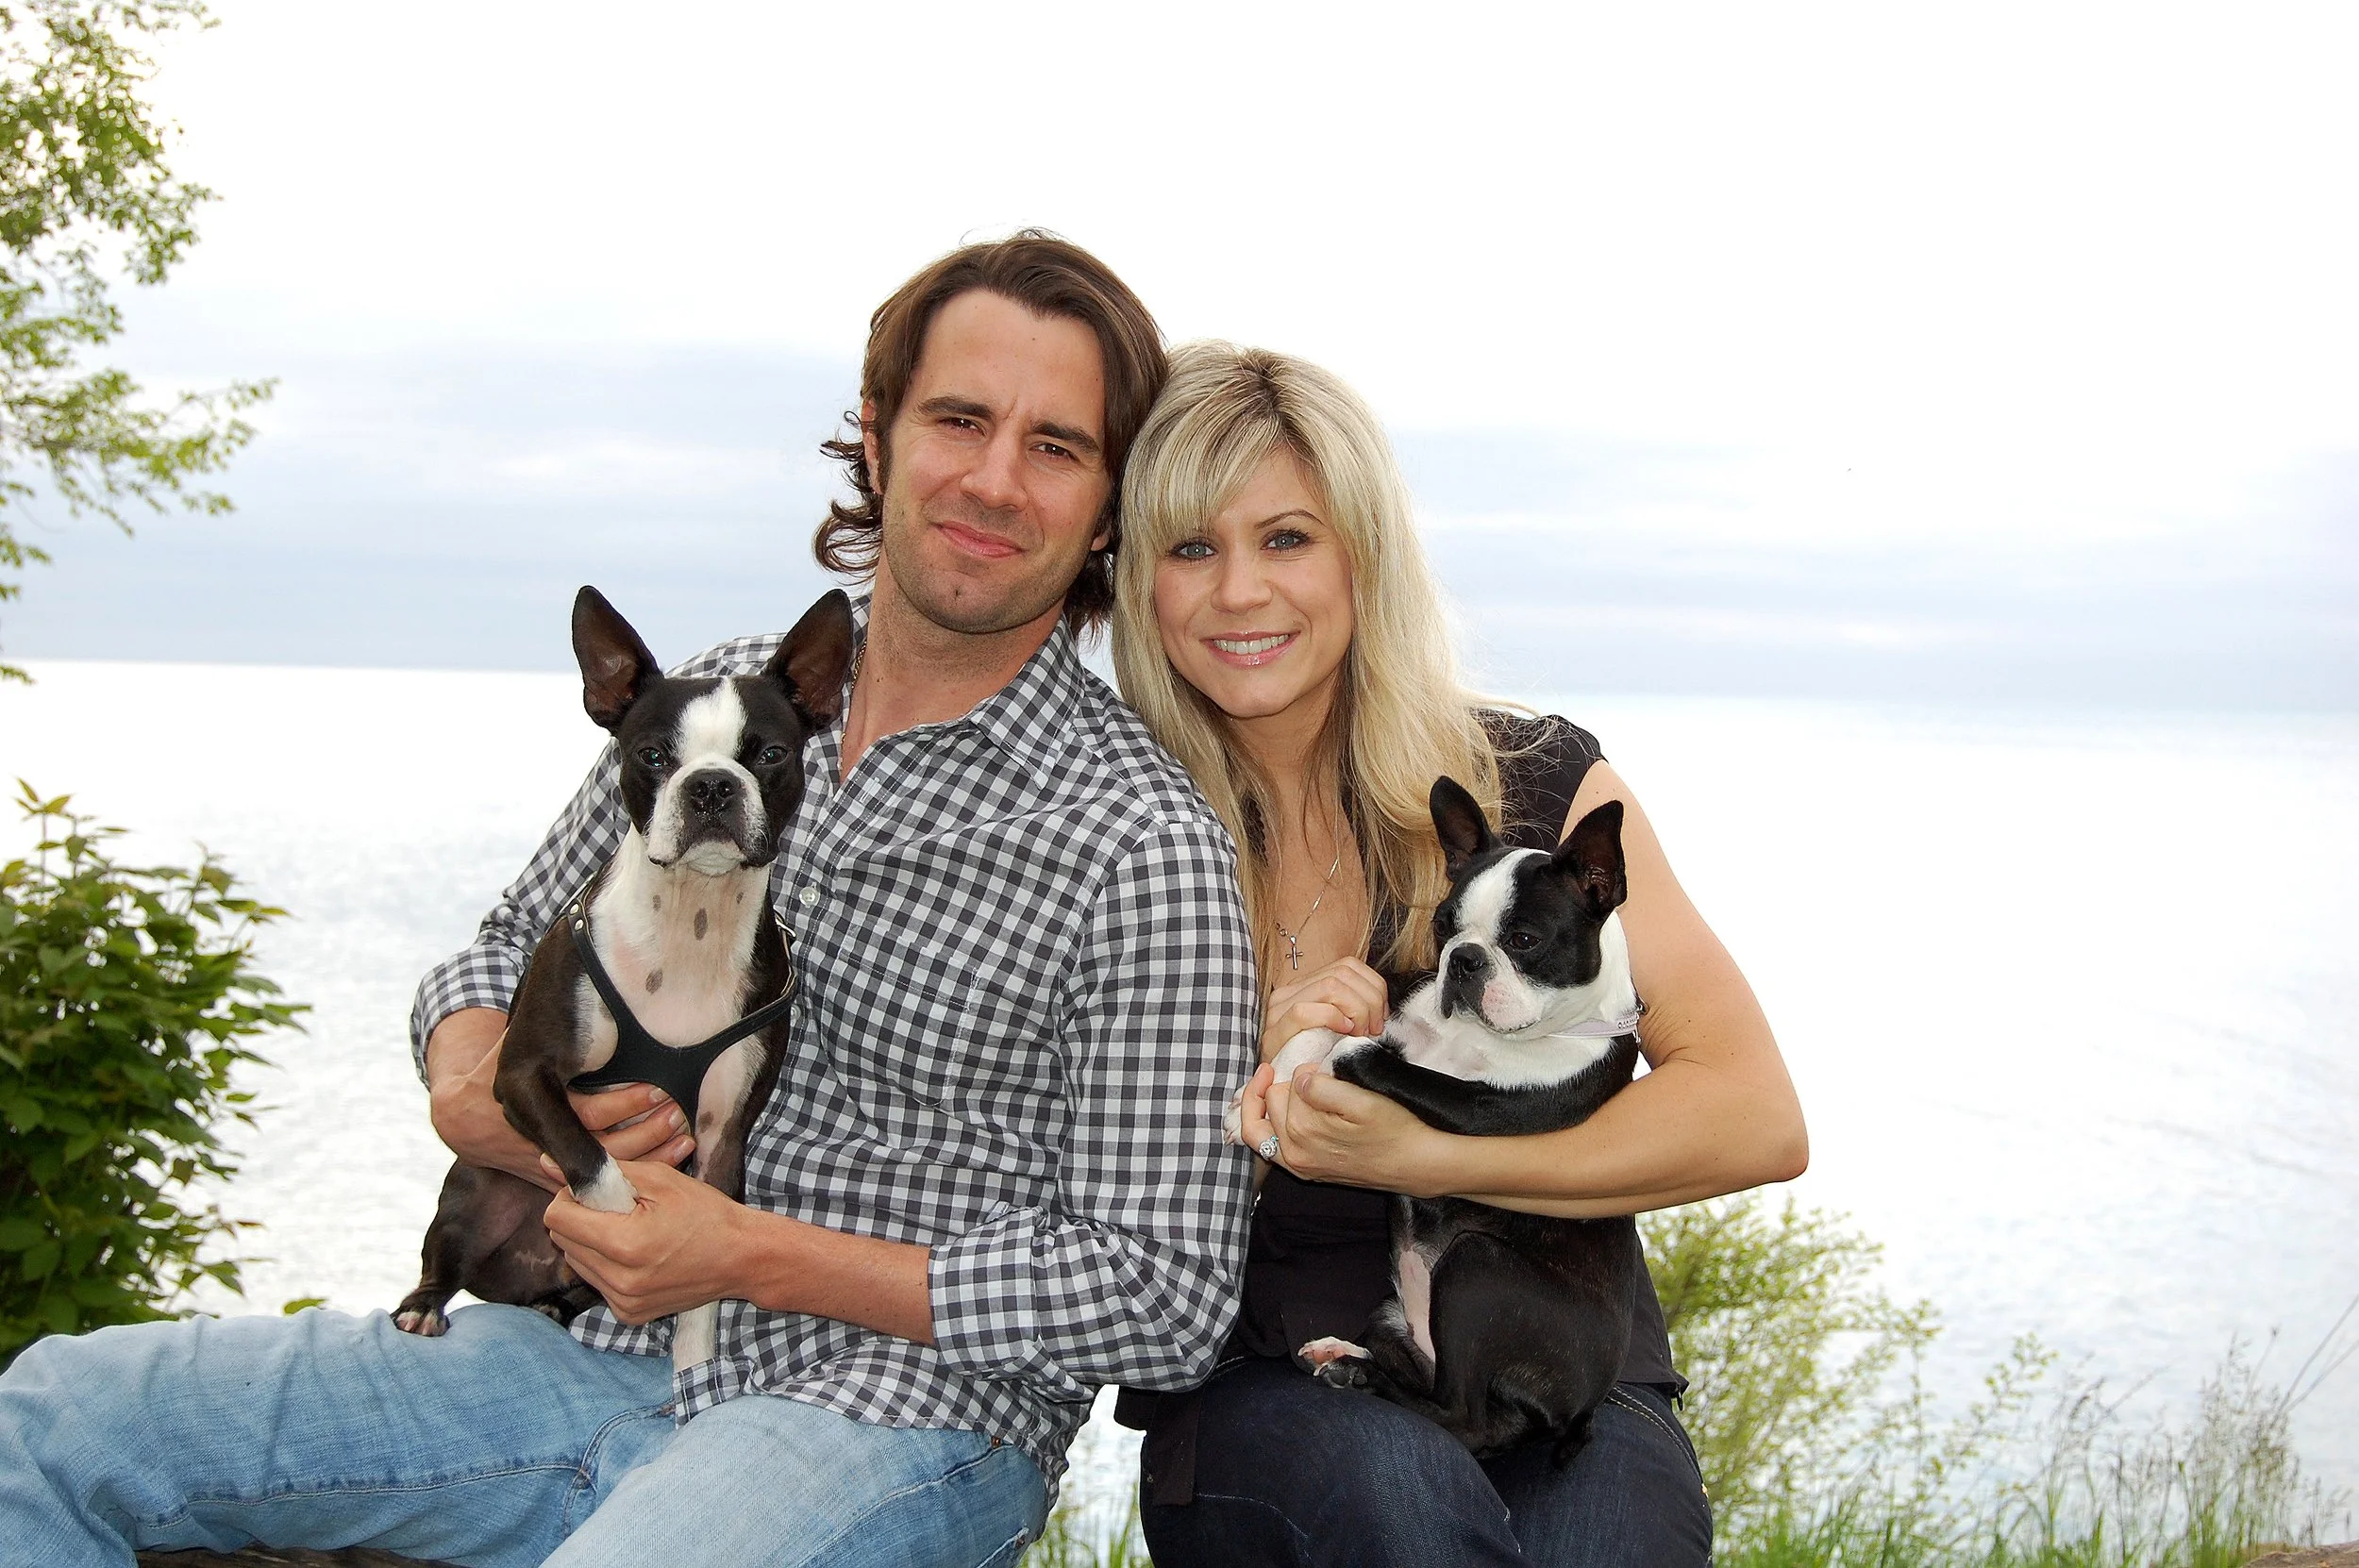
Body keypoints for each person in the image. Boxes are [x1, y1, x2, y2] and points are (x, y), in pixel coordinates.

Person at [0, 234, 1261, 1568]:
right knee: (52, 1416)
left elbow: (1161, 1293)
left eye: (1057, 446)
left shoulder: (1140, 842)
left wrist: (749, 1252)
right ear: (879, 440)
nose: (995, 477)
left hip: (892, 1418)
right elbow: (499, 952)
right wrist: (470, 1087)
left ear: (1110, 504)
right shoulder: (713, 704)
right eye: (959, 417)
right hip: (577, 1359)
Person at [1107, 342, 1810, 1566]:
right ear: (1140, 583)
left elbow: (1753, 1115)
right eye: (1190, 547)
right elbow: (1091, 1211)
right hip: (1277, 1384)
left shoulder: (1528, 780)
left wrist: (1423, 1147)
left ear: (1363, 553)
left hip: (1562, 1358)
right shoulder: (1118, 838)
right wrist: (1276, 1096)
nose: (1238, 593)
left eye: (1286, 539)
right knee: (1406, 1509)